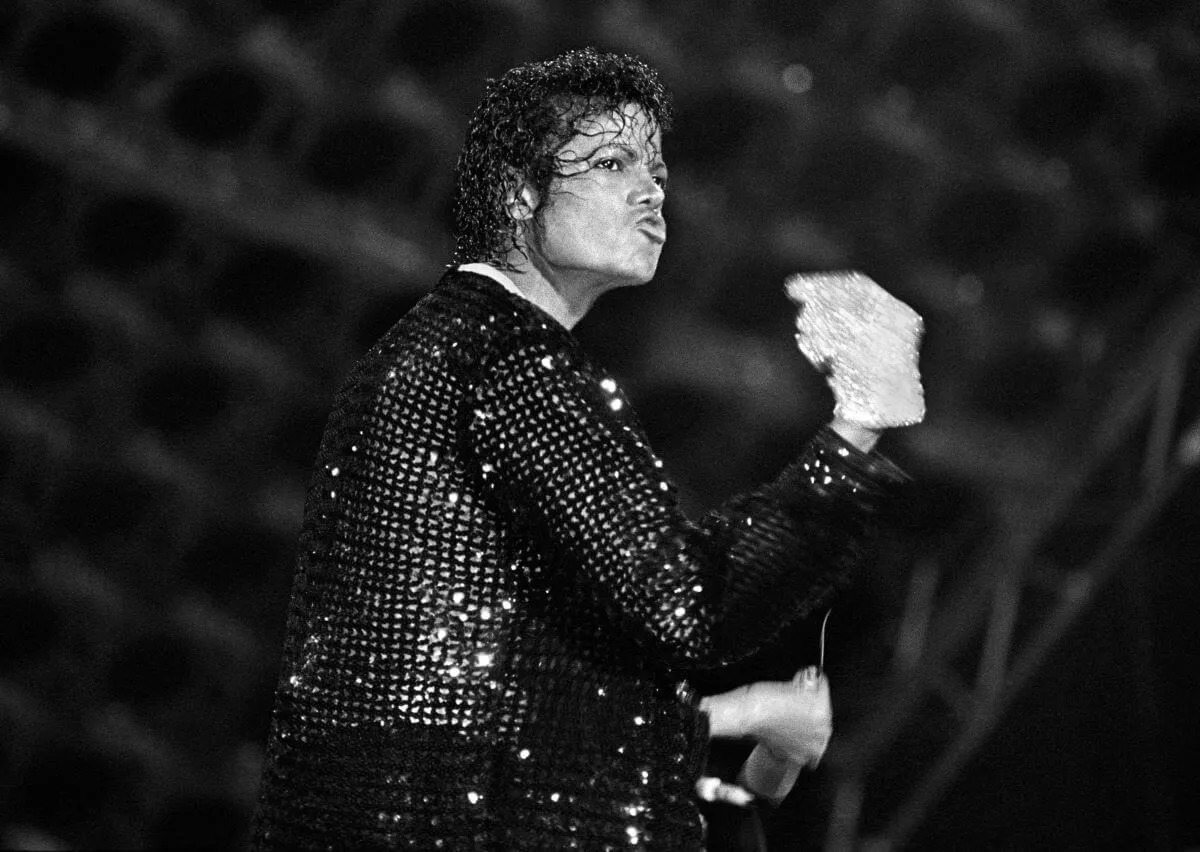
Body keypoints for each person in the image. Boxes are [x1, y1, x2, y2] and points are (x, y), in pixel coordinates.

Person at [250, 47, 918, 850]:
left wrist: (741, 718)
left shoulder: (438, 348)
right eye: (611, 163)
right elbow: (686, 605)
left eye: (660, 174)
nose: (652, 195)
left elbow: (494, 697)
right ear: (517, 193)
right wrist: (856, 427)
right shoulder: (507, 361)